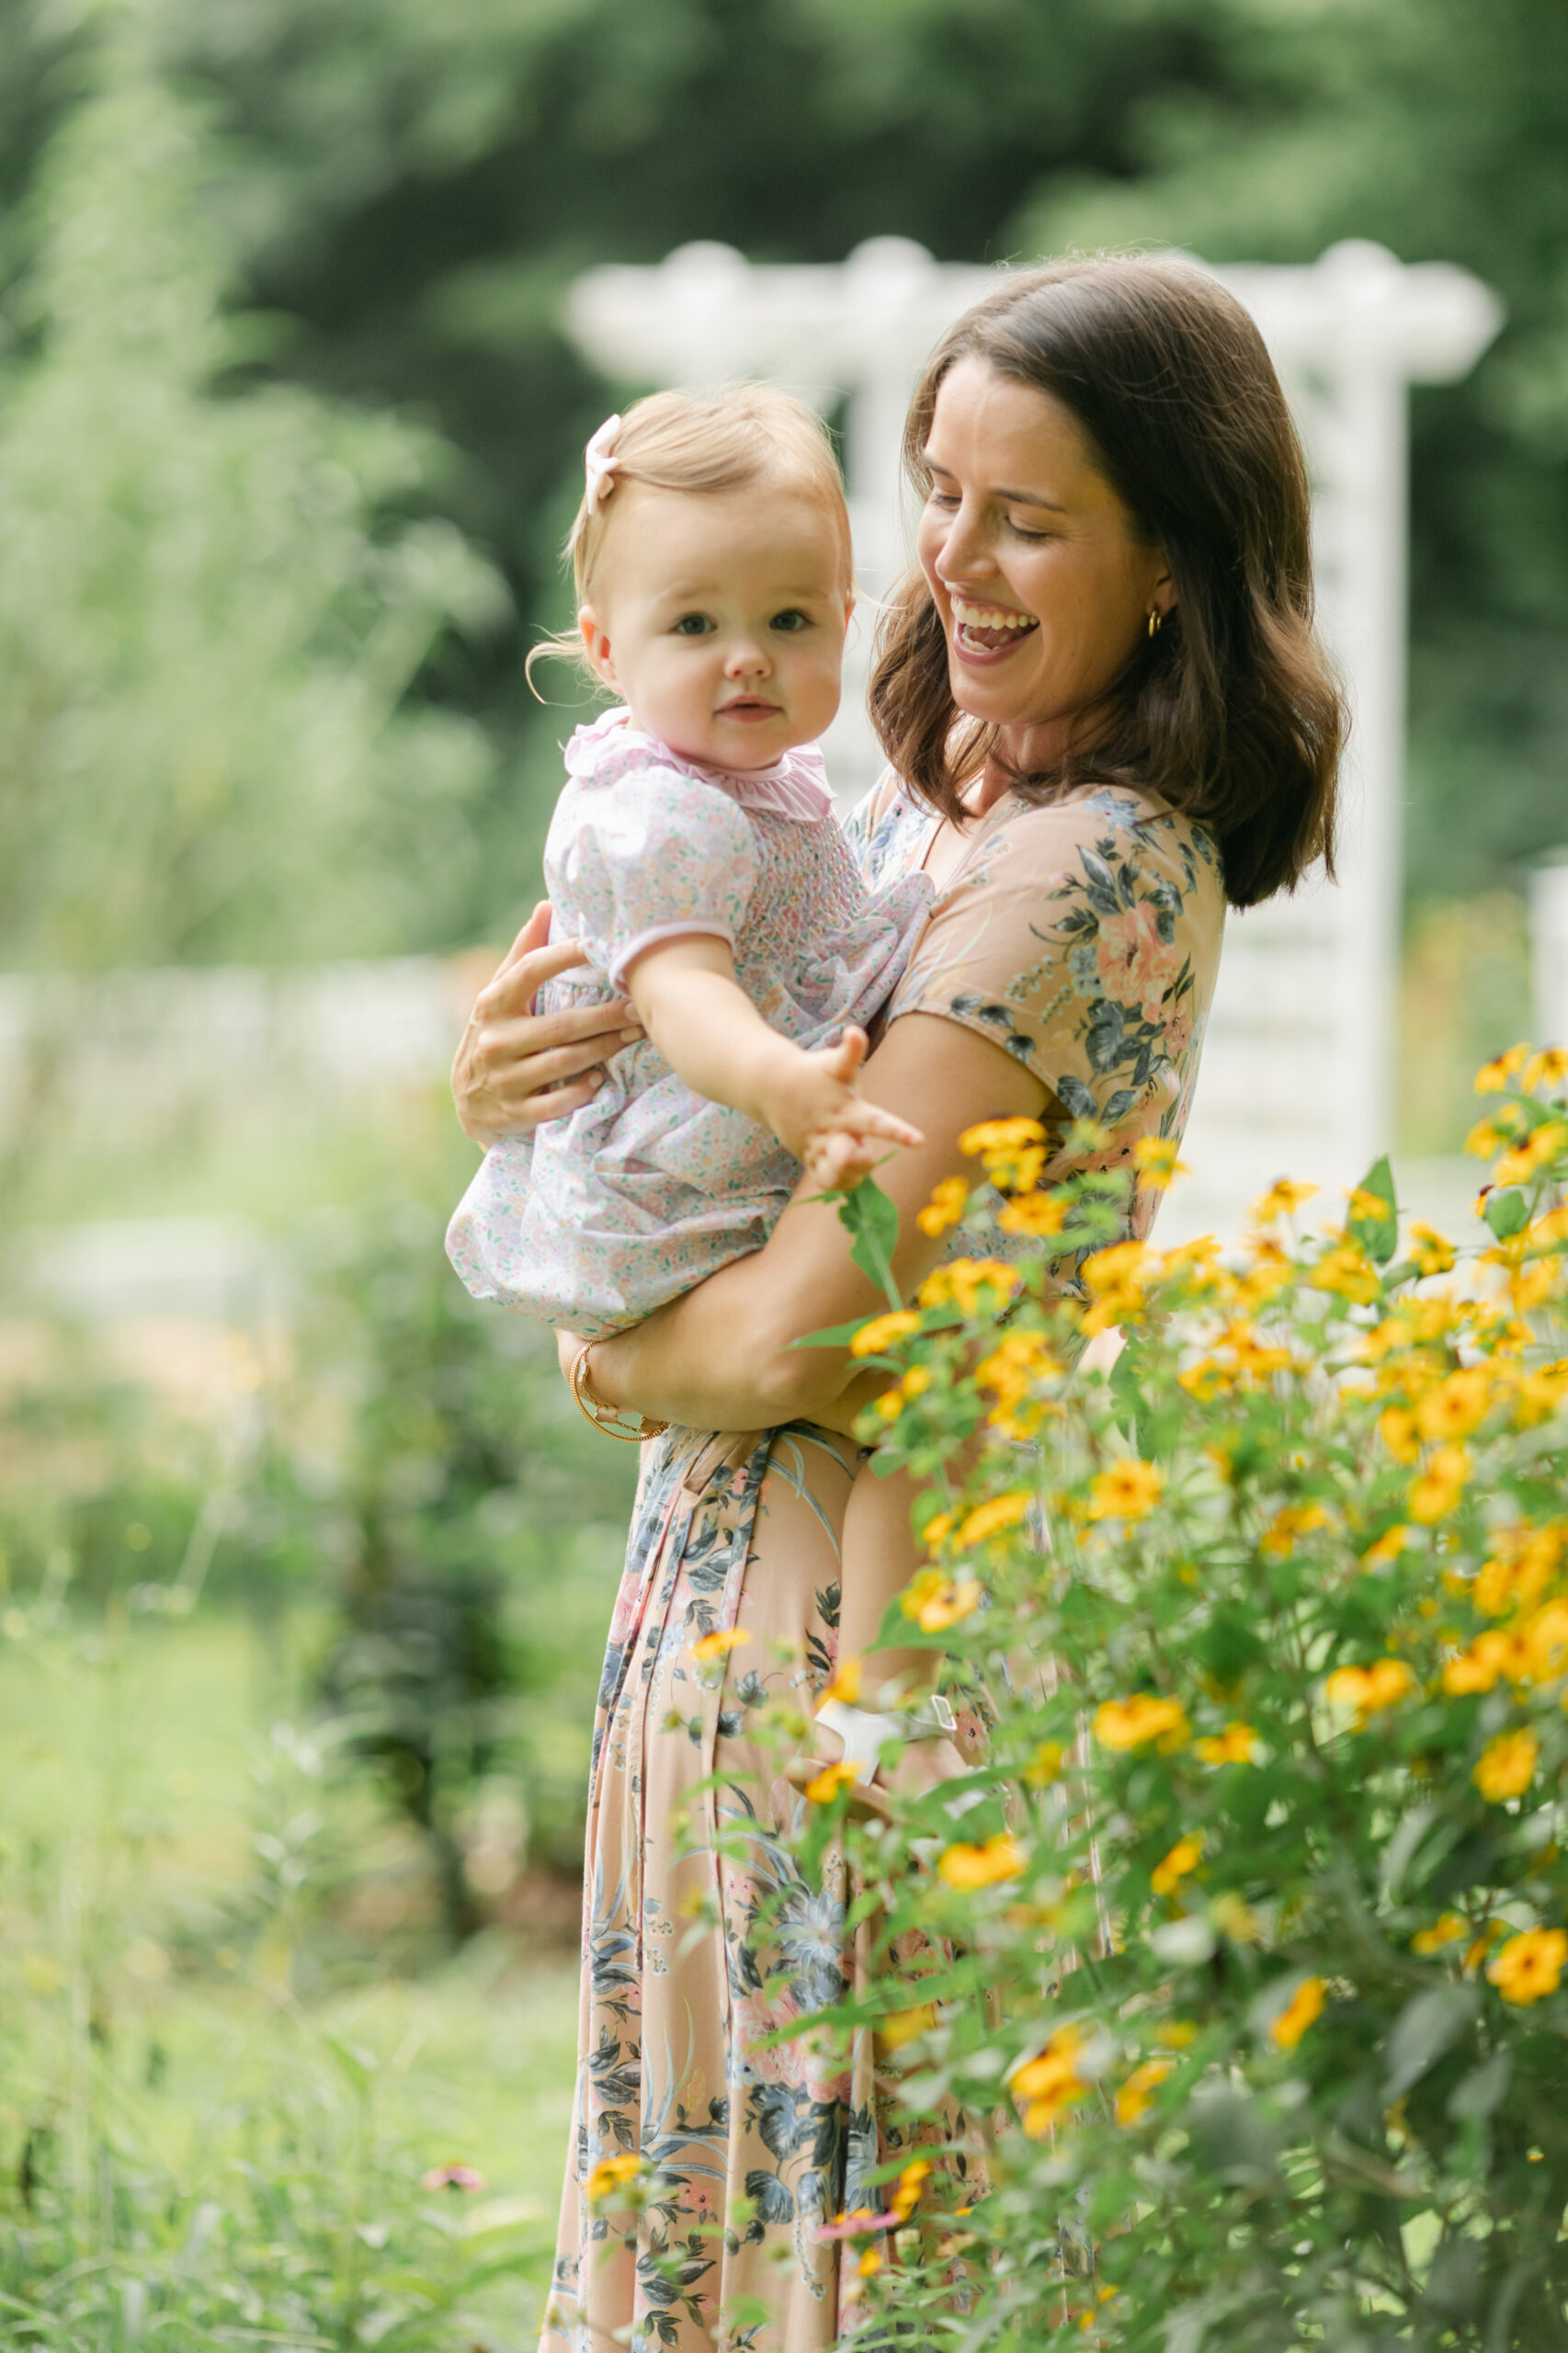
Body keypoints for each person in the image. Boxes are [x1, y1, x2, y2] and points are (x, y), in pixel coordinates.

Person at [450, 255, 1345, 2351]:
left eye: (1026, 517)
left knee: (846, 2255)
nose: (950, 557)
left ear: (1173, 573)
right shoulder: (928, 811)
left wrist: (590, 1344)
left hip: (854, 1665)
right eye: (939, 491)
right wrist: (511, 1083)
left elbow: (800, 1333)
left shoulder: (1083, 859)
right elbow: (677, 1037)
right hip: (754, 1611)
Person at [446, 382, 940, 1748]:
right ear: (606, 646)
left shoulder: (766, 789)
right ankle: (887, 1710)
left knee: (930, 1408)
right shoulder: (653, 809)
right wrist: (787, 1081)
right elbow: (681, 996)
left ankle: (880, 1702)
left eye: (787, 620)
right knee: (932, 1402)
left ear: (845, 620)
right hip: (680, 1181)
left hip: (707, 1162)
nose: (745, 659)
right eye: (693, 625)